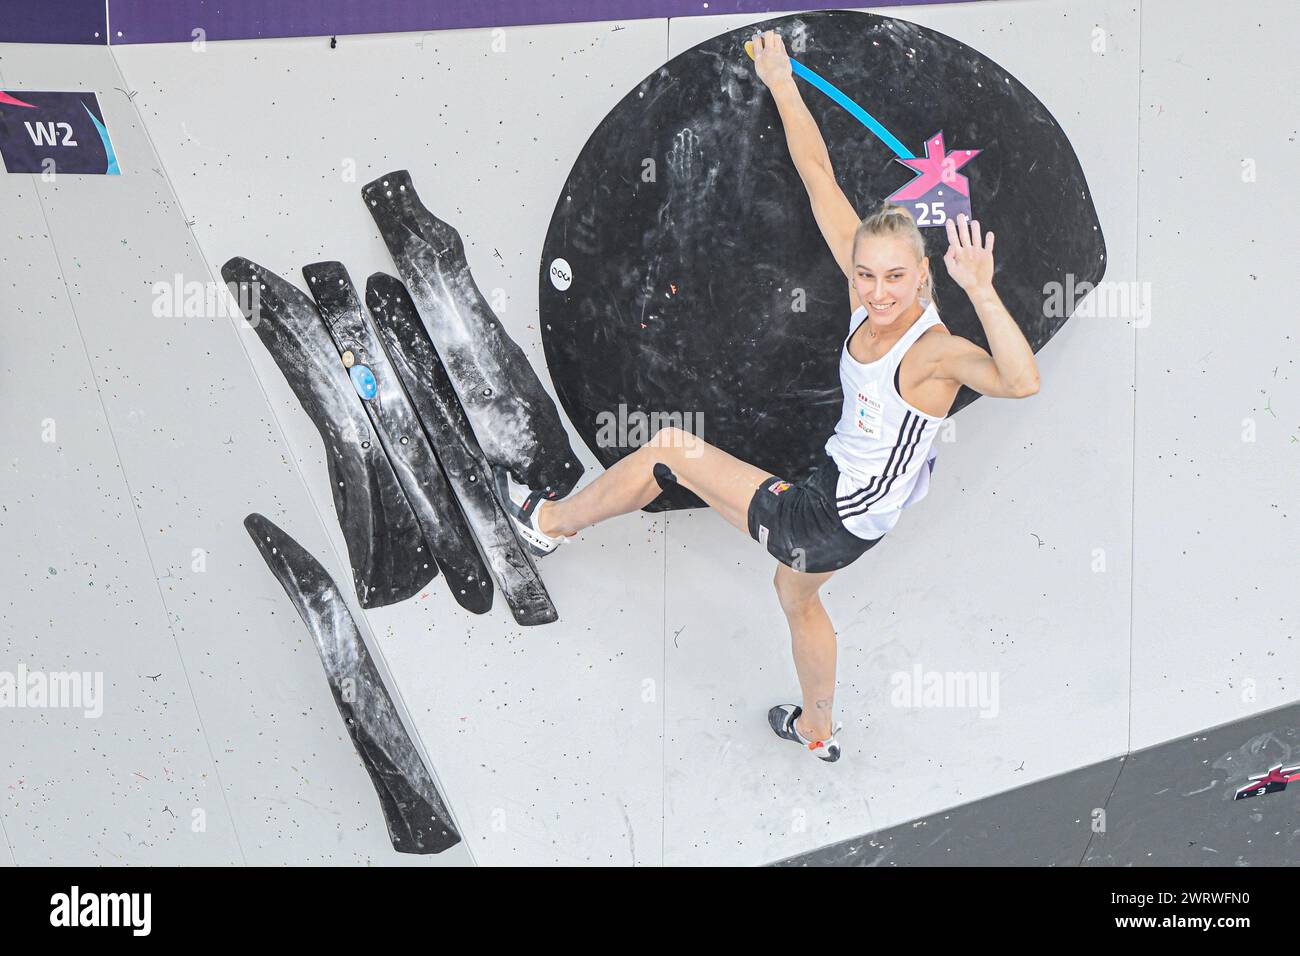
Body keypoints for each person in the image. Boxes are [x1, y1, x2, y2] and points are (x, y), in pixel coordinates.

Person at [497, 30, 1040, 762]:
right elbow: (818, 174)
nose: (876, 293)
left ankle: (549, 524)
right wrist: (782, 79)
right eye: (867, 275)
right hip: (860, 507)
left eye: (894, 279)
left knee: (669, 454)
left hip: (826, 514)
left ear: (924, 277)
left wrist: (984, 290)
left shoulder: (933, 353)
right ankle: (817, 728)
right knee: (797, 598)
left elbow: (1019, 380)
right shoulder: (864, 295)